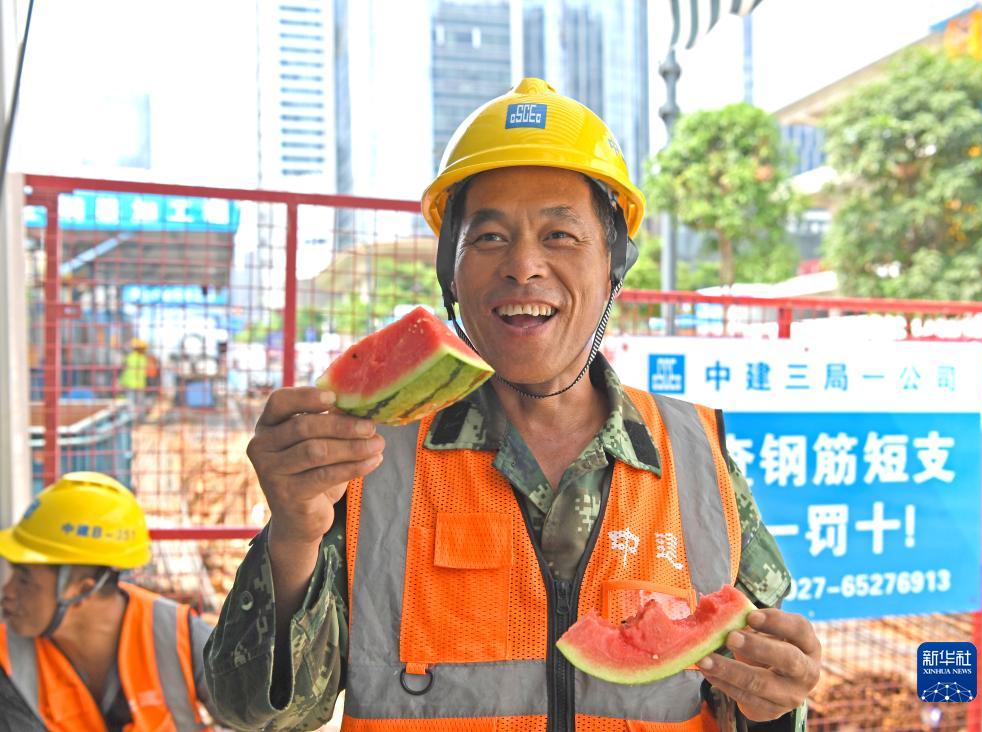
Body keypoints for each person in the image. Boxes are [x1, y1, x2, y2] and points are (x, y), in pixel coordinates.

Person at [204, 78, 821, 731]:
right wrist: (293, 535)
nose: (523, 265)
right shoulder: (368, 457)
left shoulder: (695, 452)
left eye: (560, 235)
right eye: (490, 238)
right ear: (450, 272)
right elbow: (258, 717)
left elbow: (752, 688)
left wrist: (773, 703)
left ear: (612, 266)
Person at [0, 472, 220, 731]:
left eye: (24, 579)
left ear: (82, 589)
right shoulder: (8, 659)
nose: (7, 591)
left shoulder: (176, 635)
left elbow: (253, 718)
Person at [120, 338, 151, 419]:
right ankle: (141, 418)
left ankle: (131, 418)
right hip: (140, 384)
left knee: (130, 403)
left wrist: (122, 382)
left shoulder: (130, 357)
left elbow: (123, 368)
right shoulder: (143, 358)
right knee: (140, 403)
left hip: (130, 384)